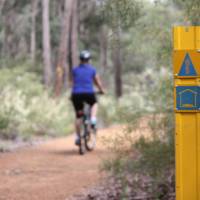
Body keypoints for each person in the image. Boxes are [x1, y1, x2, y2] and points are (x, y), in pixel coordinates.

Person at [71, 50, 105, 145]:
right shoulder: (92, 70)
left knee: (78, 116)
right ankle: (93, 119)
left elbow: (73, 83)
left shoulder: (75, 70)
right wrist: (102, 90)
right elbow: (97, 82)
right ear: (89, 60)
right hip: (89, 93)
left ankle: (78, 137)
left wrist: (72, 94)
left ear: (80, 60)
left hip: (76, 94)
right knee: (94, 103)